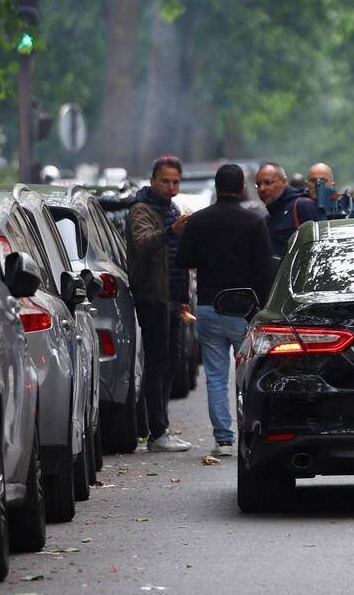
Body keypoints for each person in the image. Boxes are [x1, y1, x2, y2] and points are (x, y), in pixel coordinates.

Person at [177, 165, 272, 457]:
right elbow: (265, 269)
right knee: (250, 375)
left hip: (208, 306)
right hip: (244, 310)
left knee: (216, 377)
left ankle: (223, 439)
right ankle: (251, 432)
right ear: (243, 187)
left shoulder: (198, 222)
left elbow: (184, 261)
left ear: (217, 188)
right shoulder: (255, 221)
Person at [128, 155, 193, 452]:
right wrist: (171, 232)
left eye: (175, 182)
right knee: (156, 363)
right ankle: (157, 431)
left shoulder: (172, 209)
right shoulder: (142, 210)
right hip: (152, 298)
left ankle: (160, 427)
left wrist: (183, 300)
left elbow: (178, 259)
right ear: (153, 180)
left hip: (172, 298)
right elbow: (143, 244)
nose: (170, 187)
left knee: (171, 362)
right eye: (165, 181)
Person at [257, 162, 324, 258]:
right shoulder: (268, 218)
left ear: (284, 181)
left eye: (268, 182)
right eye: (258, 185)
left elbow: (319, 247)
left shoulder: (302, 206)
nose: (262, 188)